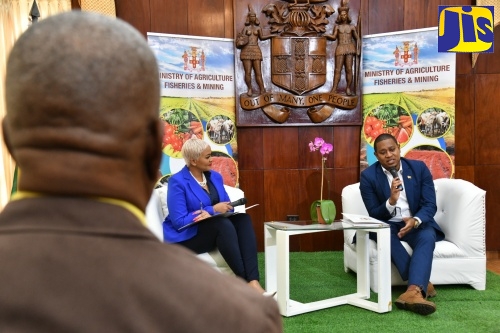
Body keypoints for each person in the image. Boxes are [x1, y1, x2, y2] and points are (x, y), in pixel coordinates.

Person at [0, 11, 282, 332]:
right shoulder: (239, 318)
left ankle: (253, 279)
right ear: (152, 149)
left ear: (9, 140)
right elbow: (179, 220)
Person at [163, 137, 271, 295]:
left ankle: (253, 282)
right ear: (193, 161)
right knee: (221, 224)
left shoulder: (215, 177)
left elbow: (226, 205)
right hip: (185, 237)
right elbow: (179, 222)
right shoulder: (177, 182)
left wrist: (226, 209)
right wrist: (212, 210)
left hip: (213, 230)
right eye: (207, 157)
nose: (211, 159)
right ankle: (243, 283)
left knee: (243, 219)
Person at [359, 133, 445, 316]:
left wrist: (415, 220)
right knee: (383, 233)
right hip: (387, 223)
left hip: (415, 222)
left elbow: (430, 204)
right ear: (376, 155)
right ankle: (419, 284)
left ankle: (411, 292)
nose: (389, 155)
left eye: (392, 149)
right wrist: (390, 200)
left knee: (427, 235)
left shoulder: (419, 169)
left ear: (398, 147)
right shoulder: (368, 176)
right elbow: (374, 213)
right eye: (383, 152)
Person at [325, 0, 359, 96]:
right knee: (337, 69)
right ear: (340, 16)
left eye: (345, 14)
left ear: (347, 15)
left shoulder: (352, 27)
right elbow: (334, 37)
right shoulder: (337, 27)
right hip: (340, 47)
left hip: (350, 47)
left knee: (349, 69)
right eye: (342, 14)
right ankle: (334, 88)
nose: (343, 16)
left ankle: (348, 88)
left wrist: (358, 47)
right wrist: (326, 35)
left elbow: (357, 38)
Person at [236, 5, 272, 97]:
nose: (252, 18)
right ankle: (249, 88)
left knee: (258, 72)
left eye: (254, 16)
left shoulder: (258, 28)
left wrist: (271, 35)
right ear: (249, 18)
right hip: (246, 50)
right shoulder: (246, 29)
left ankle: (262, 89)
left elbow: (262, 37)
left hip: (255, 49)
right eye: (251, 16)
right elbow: (242, 39)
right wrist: (240, 39)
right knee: (247, 72)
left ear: (255, 18)